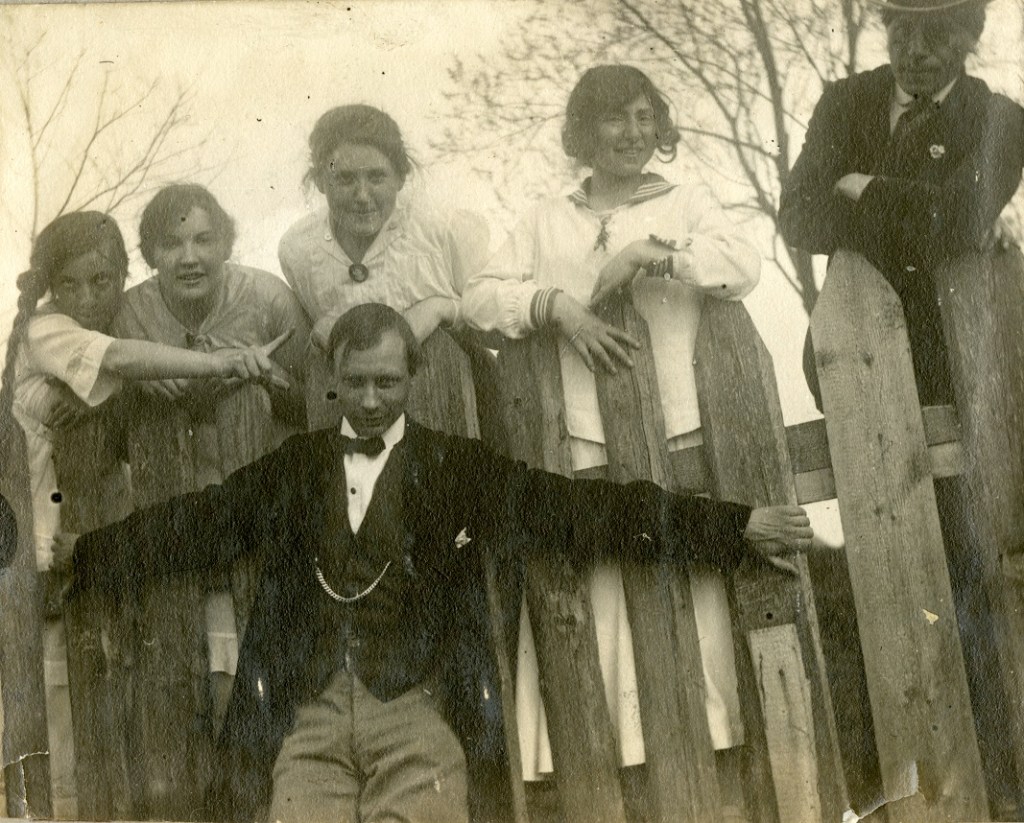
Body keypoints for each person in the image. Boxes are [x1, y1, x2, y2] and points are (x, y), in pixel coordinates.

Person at [55, 303, 812, 823]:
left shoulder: (455, 467)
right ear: (334, 382)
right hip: (308, 719)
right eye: (356, 382)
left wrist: (735, 524)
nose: (372, 398)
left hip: (416, 715)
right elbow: (197, 522)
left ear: (412, 376)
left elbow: (581, 510)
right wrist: (83, 557)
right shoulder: (294, 467)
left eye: (388, 381)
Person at [461, 64, 761, 815]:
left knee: (687, 609)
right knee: (593, 605)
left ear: (660, 126)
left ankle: (711, 789)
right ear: (582, 133)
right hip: (582, 438)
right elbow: (480, 296)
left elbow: (741, 265)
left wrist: (649, 254)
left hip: (676, 428)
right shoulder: (545, 217)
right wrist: (556, 303)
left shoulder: (685, 200)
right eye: (611, 120)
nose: (630, 134)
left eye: (641, 117)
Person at [778, 0, 1024, 814]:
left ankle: (997, 778)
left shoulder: (1001, 119)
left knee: (974, 583)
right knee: (888, 585)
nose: (916, 54)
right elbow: (800, 215)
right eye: (901, 33)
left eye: (938, 37)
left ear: (971, 39)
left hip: (958, 381)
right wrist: (911, 201)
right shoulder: (846, 102)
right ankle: (907, 791)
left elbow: (960, 221)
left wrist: (861, 184)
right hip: (856, 372)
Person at [0, 210, 287, 818]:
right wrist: (223, 363)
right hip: (30, 522)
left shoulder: (92, 336)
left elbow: (122, 375)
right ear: (51, 288)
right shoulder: (48, 329)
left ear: (123, 276)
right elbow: (127, 361)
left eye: (102, 282)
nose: (87, 297)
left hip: (64, 516)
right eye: (71, 284)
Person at [112, 184, 310, 728]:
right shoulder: (132, 314)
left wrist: (272, 378)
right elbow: (105, 400)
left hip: (258, 469)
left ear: (226, 243)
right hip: (175, 481)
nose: (190, 257)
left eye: (204, 239)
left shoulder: (268, 299)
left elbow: (318, 399)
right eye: (172, 244)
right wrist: (141, 383)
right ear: (151, 254)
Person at [278, 104, 489, 348]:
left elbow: (497, 329)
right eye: (345, 179)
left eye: (377, 177)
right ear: (320, 181)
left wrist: (442, 308)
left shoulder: (446, 229)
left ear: (401, 177)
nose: (362, 196)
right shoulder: (299, 249)